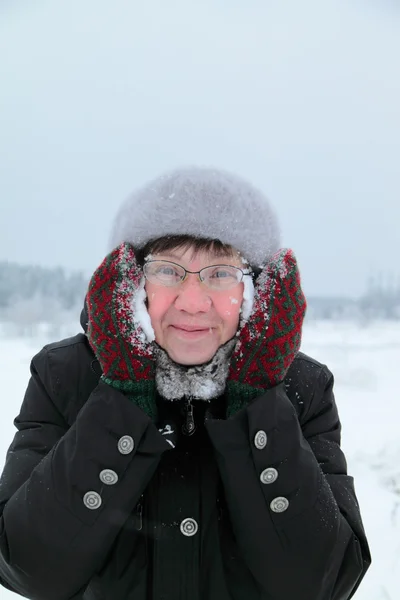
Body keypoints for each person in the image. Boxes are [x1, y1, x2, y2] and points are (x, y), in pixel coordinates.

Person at [0, 167, 370, 600]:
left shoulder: (301, 388)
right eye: (168, 271)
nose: (193, 303)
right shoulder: (66, 376)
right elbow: (28, 568)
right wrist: (122, 394)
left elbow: (324, 581)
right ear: (131, 283)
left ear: (258, 291)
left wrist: (256, 400)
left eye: (220, 273)